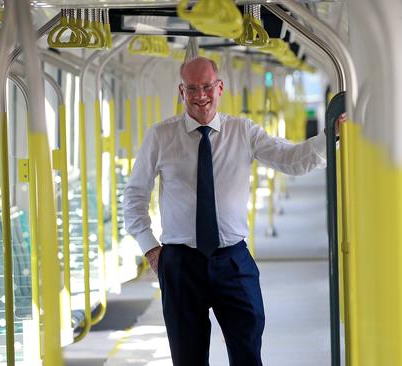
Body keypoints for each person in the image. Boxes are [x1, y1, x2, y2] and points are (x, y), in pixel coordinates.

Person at [123, 56, 340, 366]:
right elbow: (134, 195)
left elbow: (291, 159)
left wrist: (330, 134)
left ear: (220, 87)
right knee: (188, 358)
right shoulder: (160, 136)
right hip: (181, 263)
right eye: (192, 88)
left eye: (207, 87)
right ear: (181, 91)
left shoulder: (243, 132)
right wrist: (150, 248)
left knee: (248, 352)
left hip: (233, 260)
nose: (201, 96)